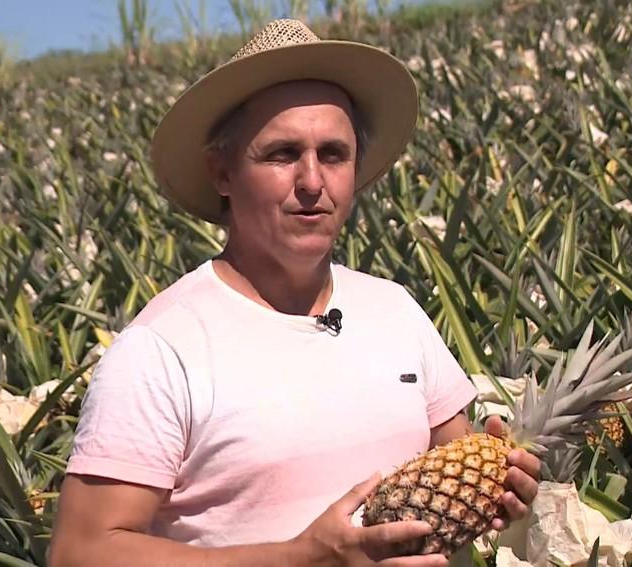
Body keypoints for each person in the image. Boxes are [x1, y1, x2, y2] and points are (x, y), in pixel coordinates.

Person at [48, 19, 540, 567]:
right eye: (282, 154)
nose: (312, 181)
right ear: (222, 172)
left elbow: (450, 462)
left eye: (333, 154)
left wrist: (498, 482)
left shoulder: (395, 308)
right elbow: (81, 551)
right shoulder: (163, 348)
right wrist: (299, 558)